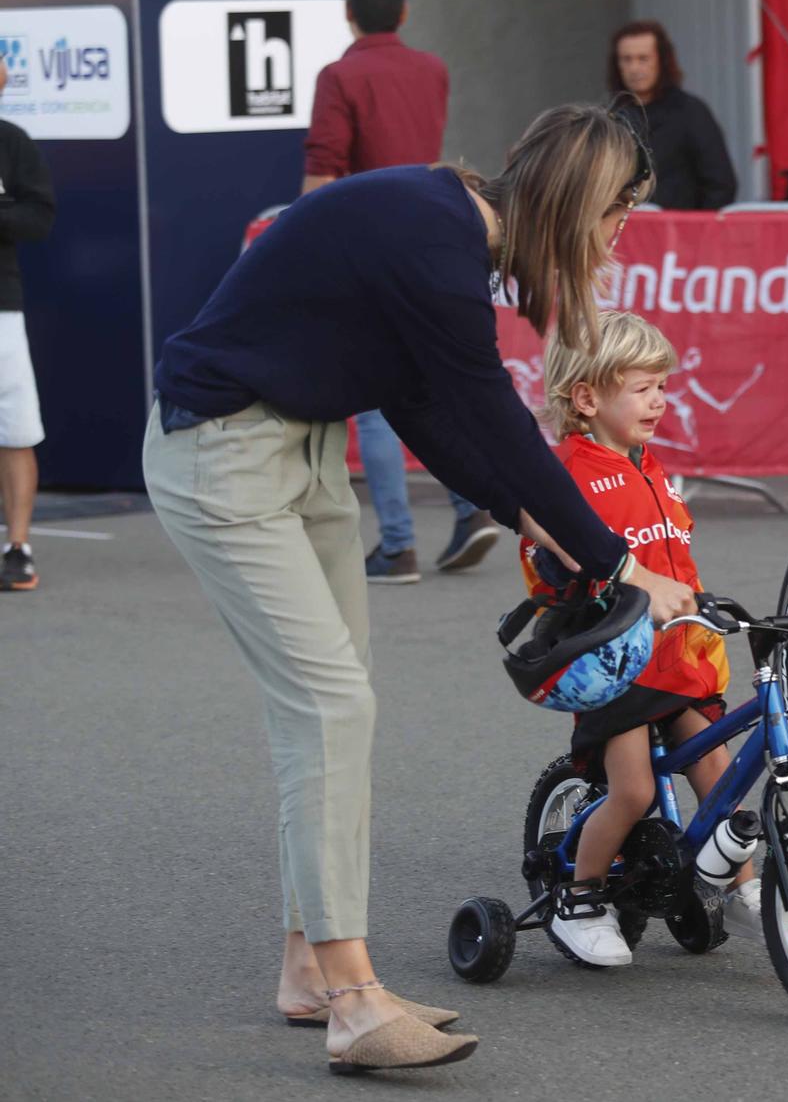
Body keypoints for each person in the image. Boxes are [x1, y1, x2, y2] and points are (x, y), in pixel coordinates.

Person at [143, 105, 698, 1074]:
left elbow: (423, 404)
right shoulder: (431, 237)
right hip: (223, 450)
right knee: (330, 705)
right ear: (577, 201)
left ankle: (309, 970)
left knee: (332, 711)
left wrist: (525, 518)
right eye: (618, 214)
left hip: (302, 452)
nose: (616, 238)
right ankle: (355, 1001)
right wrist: (615, 563)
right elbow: (489, 410)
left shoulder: (440, 227)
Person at [520, 310, 762, 966]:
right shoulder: (567, 471)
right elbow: (544, 551)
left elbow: (671, 558)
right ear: (588, 397)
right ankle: (580, 896)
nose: (659, 400)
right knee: (632, 790)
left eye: (662, 385)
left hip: (675, 654)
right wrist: (554, 566)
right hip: (612, 660)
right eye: (643, 387)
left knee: (720, 767)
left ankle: (741, 887)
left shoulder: (648, 467)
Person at [303, 0, 500, 584]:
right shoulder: (432, 70)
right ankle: (471, 509)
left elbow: (324, 168)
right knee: (434, 385)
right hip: (437, 237)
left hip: (371, 245)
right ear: (406, 13)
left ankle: (397, 543)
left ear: (349, 13)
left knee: (373, 401)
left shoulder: (340, 76)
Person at [0, 51, 55, 592]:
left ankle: (18, 548)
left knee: (16, 432)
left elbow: (39, 216)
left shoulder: (13, 143)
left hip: (1, 305)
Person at [608, 20, 737, 210]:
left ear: (662, 61)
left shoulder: (691, 112)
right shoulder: (611, 117)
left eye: (643, 58)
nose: (634, 68)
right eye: (627, 59)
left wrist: (696, 234)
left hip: (680, 234)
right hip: (623, 234)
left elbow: (721, 185)